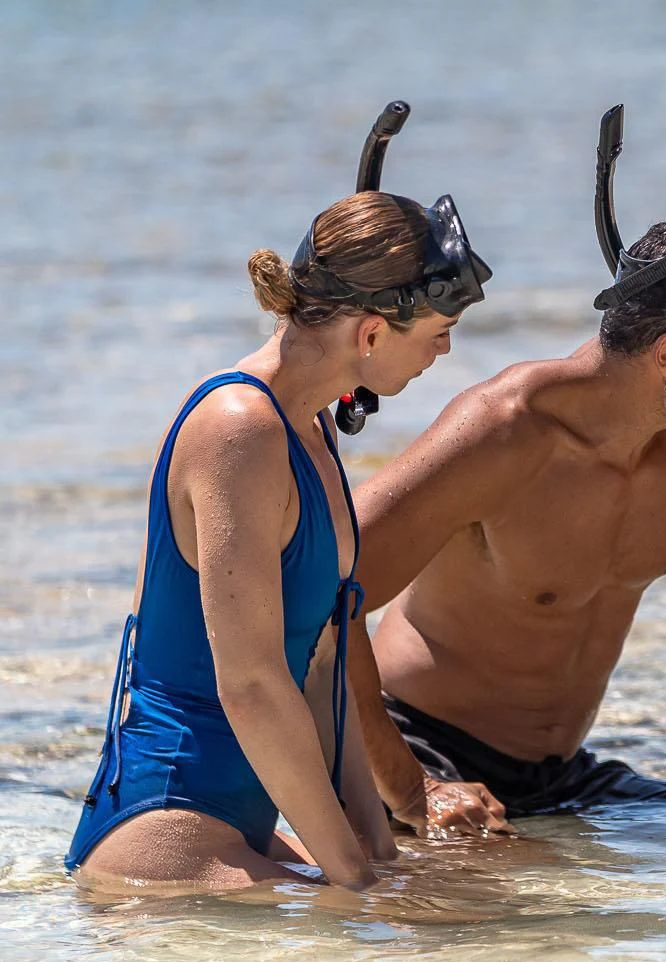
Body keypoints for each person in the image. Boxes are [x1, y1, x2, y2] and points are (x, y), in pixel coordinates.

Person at [67, 182, 489, 892]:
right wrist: (353, 883)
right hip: (167, 834)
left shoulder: (312, 427)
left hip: (247, 825)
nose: (446, 349)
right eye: (438, 331)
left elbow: (326, 667)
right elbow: (254, 685)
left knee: (455, 906)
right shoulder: (239, 428)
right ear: (372, 333)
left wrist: (377, 854)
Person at [345, 204, 666, 835]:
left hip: (562, 776)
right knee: (516, 898)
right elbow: (317, 596)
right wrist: (414, 790)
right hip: (418, 747)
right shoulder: (503, 433)